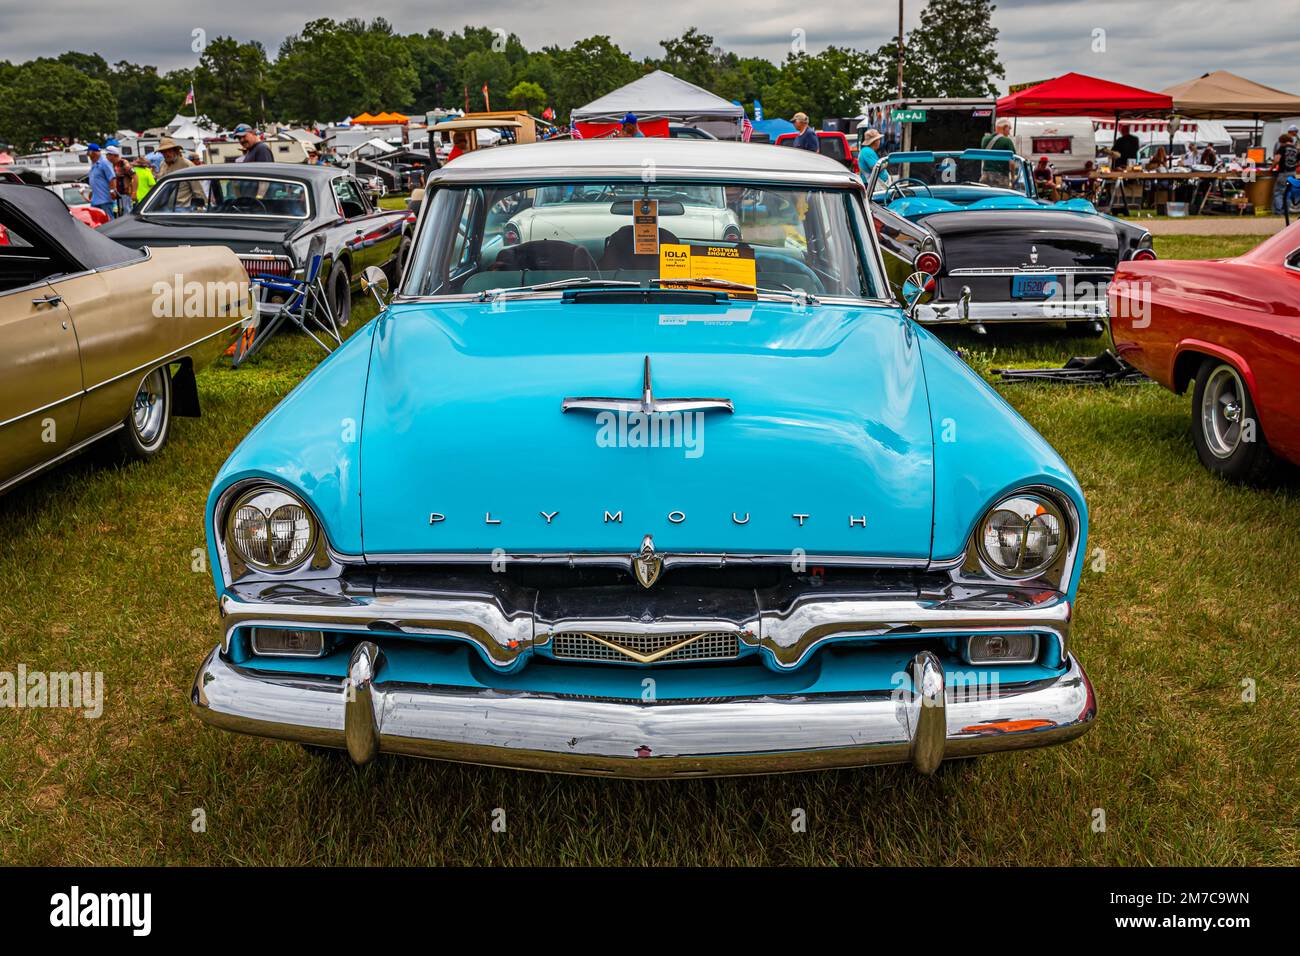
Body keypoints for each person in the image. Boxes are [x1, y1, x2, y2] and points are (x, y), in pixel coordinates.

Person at [157, 137, 204, 211]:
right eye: (164, 151)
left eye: (169, 150)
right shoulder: (162, 164)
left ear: (175, 151)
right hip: (164, 207)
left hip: (183, 208)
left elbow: (197, 189)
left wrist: (200, 208)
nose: (166, 154)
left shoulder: (187, 165)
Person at [979, 118, 1016, 188]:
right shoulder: (1007, 141)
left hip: (985, 176)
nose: (1009, 132)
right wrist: (1013, 178)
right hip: (1001, 178)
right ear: (1005, 127)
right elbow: (1012, 163)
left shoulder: (985, 139)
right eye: (1009, 128)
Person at [85, 143, 116, 220]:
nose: (87, 154)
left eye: (88, 152)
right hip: (95, 200)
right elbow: (96, 180)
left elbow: (112, 178)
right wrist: (92, 191)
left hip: (104, 200)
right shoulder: (94, 164)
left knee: (108, 221)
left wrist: (112, 191)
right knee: (97, 222)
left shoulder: (104, 163)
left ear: (93, 152)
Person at [107, 146, 136, 216]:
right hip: (117, 195)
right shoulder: (112, 164)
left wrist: (134, 192)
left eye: (108, 155)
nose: (106, 157)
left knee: (127, 213)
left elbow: (135, 176)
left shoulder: (124, 163)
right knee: (119, 214)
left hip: (125, 194)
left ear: (114, 155)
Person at [1273, 133, 1298, 214]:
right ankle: (1286, 210)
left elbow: (1277, 160)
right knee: (1288, 192)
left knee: (1278, 192)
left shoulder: (1282, 147)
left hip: (1283, 173)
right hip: (1293, 173)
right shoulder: (1295, 149)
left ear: (1282, 141)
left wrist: (1272, 166)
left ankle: (1279, 211)